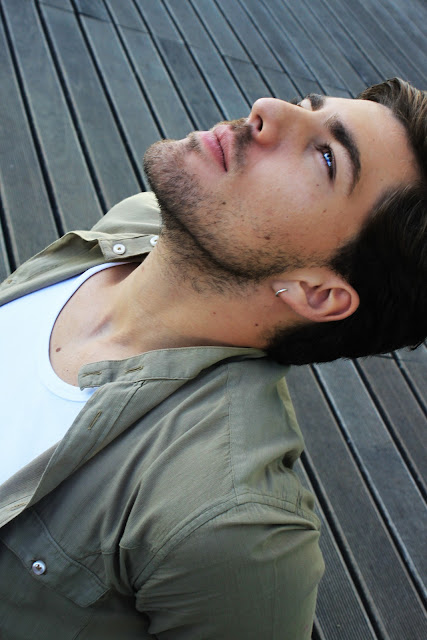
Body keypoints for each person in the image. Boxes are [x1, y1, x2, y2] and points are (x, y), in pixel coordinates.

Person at [0, 77, 425, 639]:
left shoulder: (233, 526)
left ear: (317, 293)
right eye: (305, 105)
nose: (267, 109)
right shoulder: (137, 224)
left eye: (326, 157)